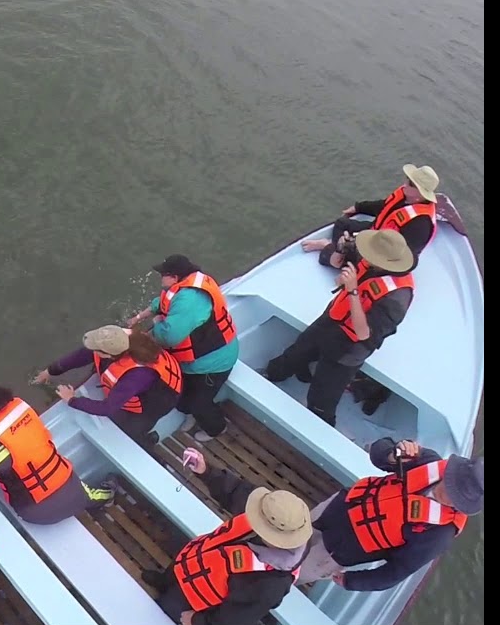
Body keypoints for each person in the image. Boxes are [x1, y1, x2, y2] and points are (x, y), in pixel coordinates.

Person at [141, 449, 312, 625]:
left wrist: (197, 621)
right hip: (191, 562)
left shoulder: (272, 584)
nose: (253, 514)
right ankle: (164, 581)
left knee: (159, 613)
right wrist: (206, 471)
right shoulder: (267, 507)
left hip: (194, 599)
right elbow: (234, 491)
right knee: (173, 574)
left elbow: (234, 620)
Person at [264, 229, 415, 426]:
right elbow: (336, 266)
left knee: (322, 399)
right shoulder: (369, 260)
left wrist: (352, 290)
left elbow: (363, 333)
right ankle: (273, 374)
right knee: (296, 352)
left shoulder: (397, 298)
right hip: (330, 321)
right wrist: (341, 250)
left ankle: (316, 428)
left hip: (349, 348)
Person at [297, 438, 483, 591]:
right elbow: (378, 451)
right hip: (336, 508)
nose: (448, 497)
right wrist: (393, 454)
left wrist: (353, 581)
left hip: (339, 551)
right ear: (452, 473)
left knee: (293, 572)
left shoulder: (439, 535)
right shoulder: (427, 461)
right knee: (296, 531)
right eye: (452, 488)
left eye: (458, 500)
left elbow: (397, 571)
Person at [128, 254, 240, 442]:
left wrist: (149, 332)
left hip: (214, 362)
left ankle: (216, 428)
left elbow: (169, 336)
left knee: (199, 404)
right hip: (192, 361)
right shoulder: (179, 288)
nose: (160, 277)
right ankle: (189, 413)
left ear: (174, 277)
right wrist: (139, 318)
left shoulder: (191, 300)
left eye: (163, 274)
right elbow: (160, 304)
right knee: (180, 393)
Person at [0, 386, 117, 524]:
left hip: (37, 515)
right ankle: (108, 495)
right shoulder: (27, 417)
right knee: (83, 491)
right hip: (75, 495)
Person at [35, 325, 183, 447]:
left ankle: (148, 440)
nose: (91, 350)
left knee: (128, 432)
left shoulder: (136, 376)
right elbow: (79, 357)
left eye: (95, 349)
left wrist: (72, 400)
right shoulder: (115, 340)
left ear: (108, 354)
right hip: (137, 380)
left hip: (158, 400)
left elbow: (107, 408)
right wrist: (50, 371)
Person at [301, 164, 439, 269]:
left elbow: (407, 256)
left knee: (325, 258)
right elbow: (384, 206)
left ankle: (330, 249)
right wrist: (358, 207)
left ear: (419, 192)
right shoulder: (405, 195)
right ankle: (338, 251)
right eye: (407, 179)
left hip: (383, 250)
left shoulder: (421, 224)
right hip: (375, 232)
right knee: (341, 224)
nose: (404, 184)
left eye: (409, 183)